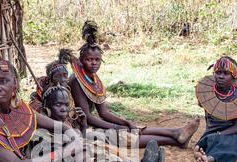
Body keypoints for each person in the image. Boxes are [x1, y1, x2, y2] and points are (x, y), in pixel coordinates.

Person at [42, 84, 192, 162]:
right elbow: (62, 156)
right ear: (46, 109)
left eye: (66, 105)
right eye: (58, 105)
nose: (63, 109)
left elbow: (78, 145)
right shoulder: (44, 130)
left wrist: (83, 127)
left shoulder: (63, 124)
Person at [68, 21, 200, 148]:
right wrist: (117, 127)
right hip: (79, 129)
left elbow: (103, 113)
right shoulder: (77, 81)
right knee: (123, 136)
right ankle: (176, 140)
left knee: (131, 128)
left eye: (97, 60)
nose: (94, 63)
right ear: (81, 60)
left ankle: (176, 133)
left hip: (89, 125)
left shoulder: (93, 79)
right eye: (89, 60)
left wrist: (125, 123)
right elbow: (88, 118)